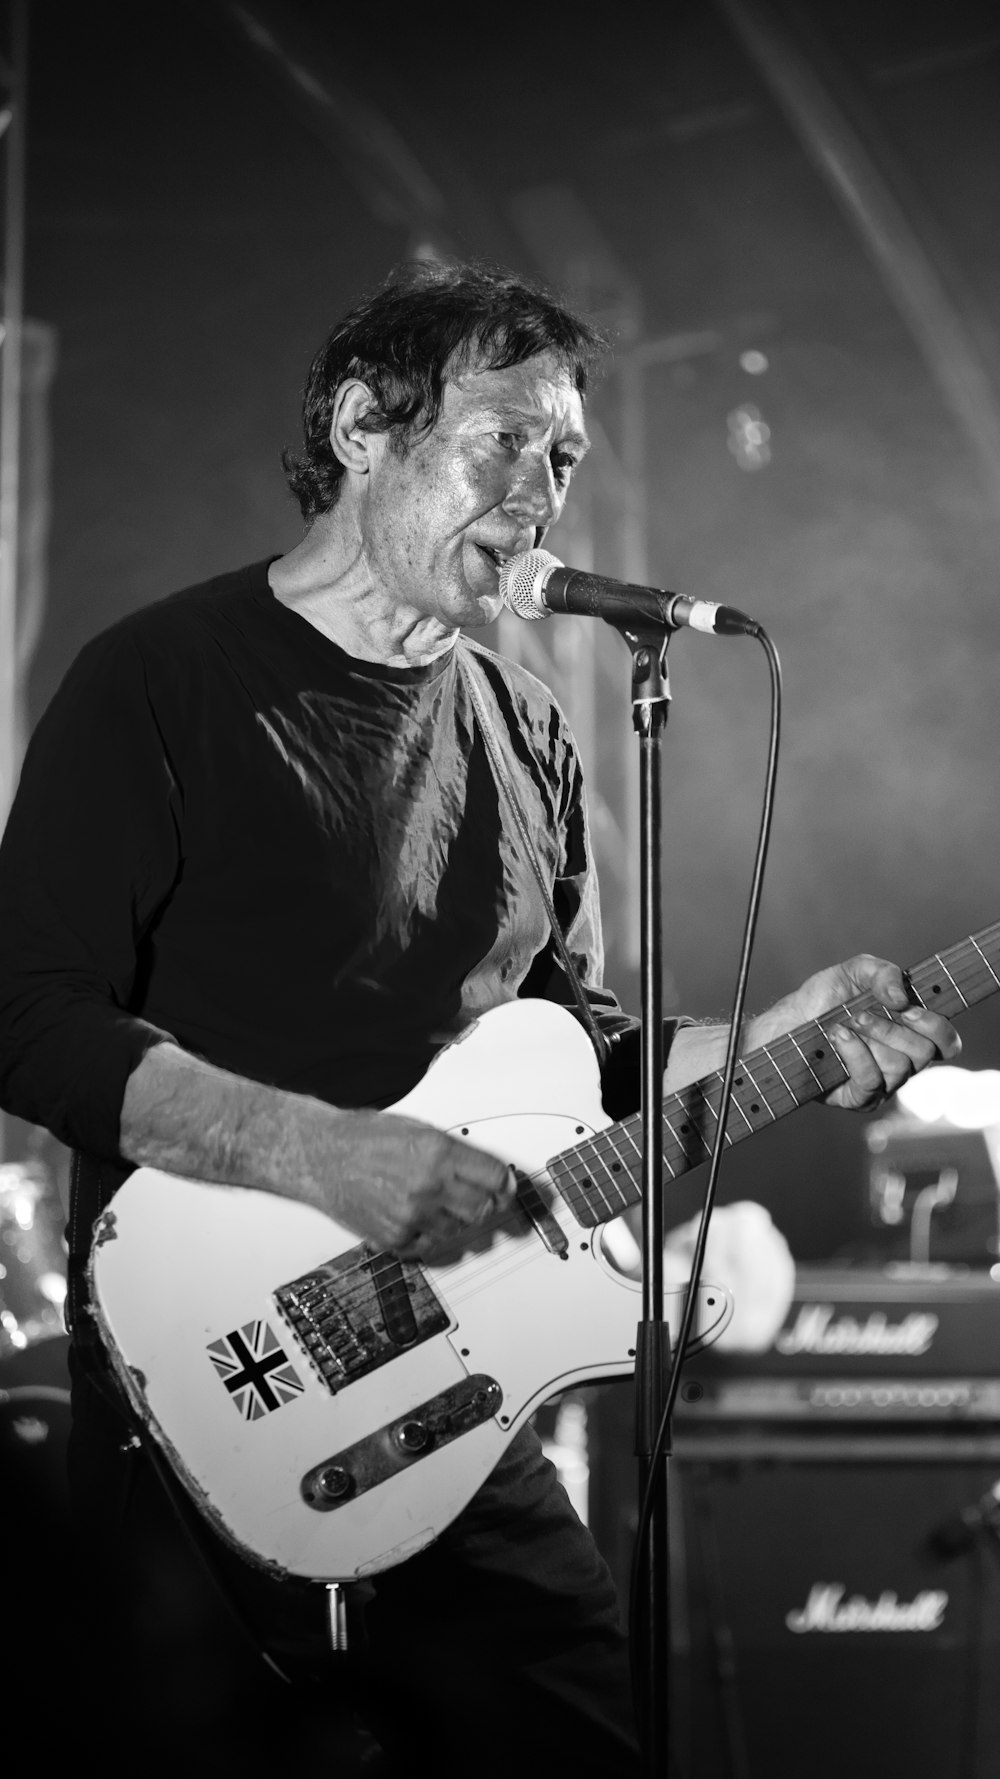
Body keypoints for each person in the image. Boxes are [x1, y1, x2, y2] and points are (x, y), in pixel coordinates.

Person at [0, 259, 959, 1775]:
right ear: (364, 425)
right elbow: (27, 1016)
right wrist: (327, 1155)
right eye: (503, 440)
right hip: (205, 1379)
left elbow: (579, 1054)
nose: (540, 492)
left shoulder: (526, 727)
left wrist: (783, 1033)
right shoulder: (161, 685)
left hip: (455, 1406)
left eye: (565, 457)